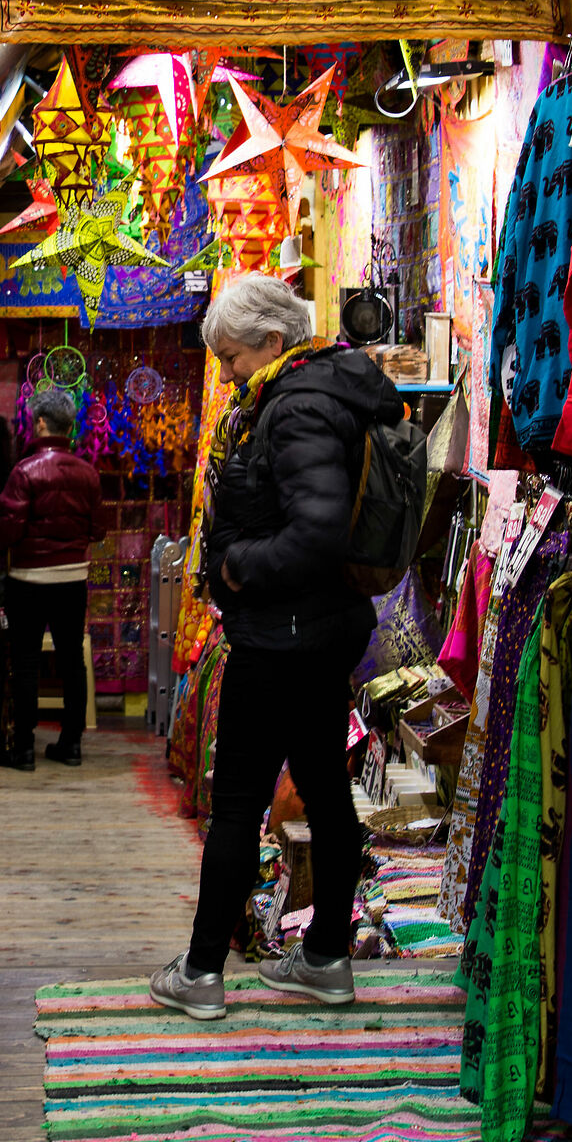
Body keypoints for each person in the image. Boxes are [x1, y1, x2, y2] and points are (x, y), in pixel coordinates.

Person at [149, 273, 403, 1017]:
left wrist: (233, 566)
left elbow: (314, 531)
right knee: (325, 790)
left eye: (230, 357)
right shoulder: (313, 392)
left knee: (238, 803)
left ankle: (200, 972)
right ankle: (325, 957)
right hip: (316, 629)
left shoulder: (295, 407)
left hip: (283, 633)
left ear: (269, 339)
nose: (226, 373)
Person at [0, 384, 106, 770]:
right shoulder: (87, 473)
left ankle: (23, 749)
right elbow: (98, 529)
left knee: (25, 661)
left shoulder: (25, 471)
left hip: (28, 578)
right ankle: (70, 744)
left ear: (39, 422)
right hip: (72, 578)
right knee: (72, 658)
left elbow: (12, 529)